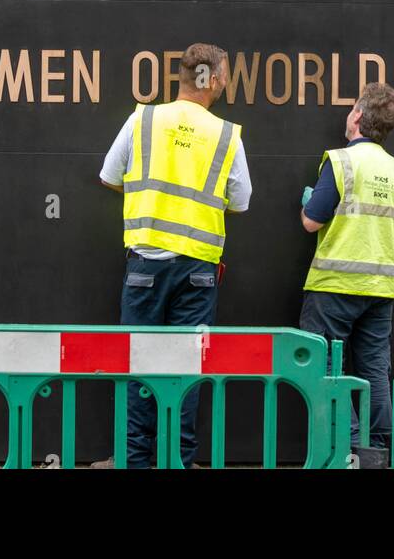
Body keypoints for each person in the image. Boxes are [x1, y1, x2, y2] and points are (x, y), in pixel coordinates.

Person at [96, 43, 251, 468]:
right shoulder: (224, 134)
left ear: (182, 77)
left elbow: (110, 176)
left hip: (145, 265)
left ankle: (135, 460)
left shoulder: (143, 119)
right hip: (198, 270)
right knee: (186, 369)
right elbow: (241, 201)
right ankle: (179, 460)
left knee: (139, 363)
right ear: (214, 80)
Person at [300, 82, 394, 467]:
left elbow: (311, 222)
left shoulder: (340, 162)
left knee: (326, 370)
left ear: (356, 117)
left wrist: (308, 202)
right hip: (381, 288)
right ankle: (379, 453)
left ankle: (352, 452)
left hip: (334, 285)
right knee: (374, 374)